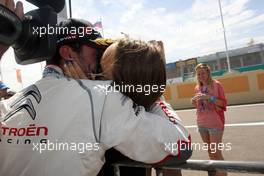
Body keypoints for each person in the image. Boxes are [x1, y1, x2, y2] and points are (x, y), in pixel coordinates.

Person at [0, 1, 191, 176]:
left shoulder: (8, 105)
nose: (101, 61)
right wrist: (154, 94)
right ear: (68, 53)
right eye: (96, 52)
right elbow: (180, 145)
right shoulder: (103, 97)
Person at [64, 39, 185, 176]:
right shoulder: (147, 122)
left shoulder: (142, 123)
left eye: (100, 73)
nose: (93, 78)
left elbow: (180, 148)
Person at [191, 63, 227, 176]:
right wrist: (193, 102)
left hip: (215, 122)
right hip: (201, 123)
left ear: (208, 73)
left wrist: (209, 97)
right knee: (210, 152)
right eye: (198, 74)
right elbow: (199, 106)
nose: (201, 76)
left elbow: (223, 103)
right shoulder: (197, 88)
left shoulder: (217, 85)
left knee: (216, 152)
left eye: (203, 73)